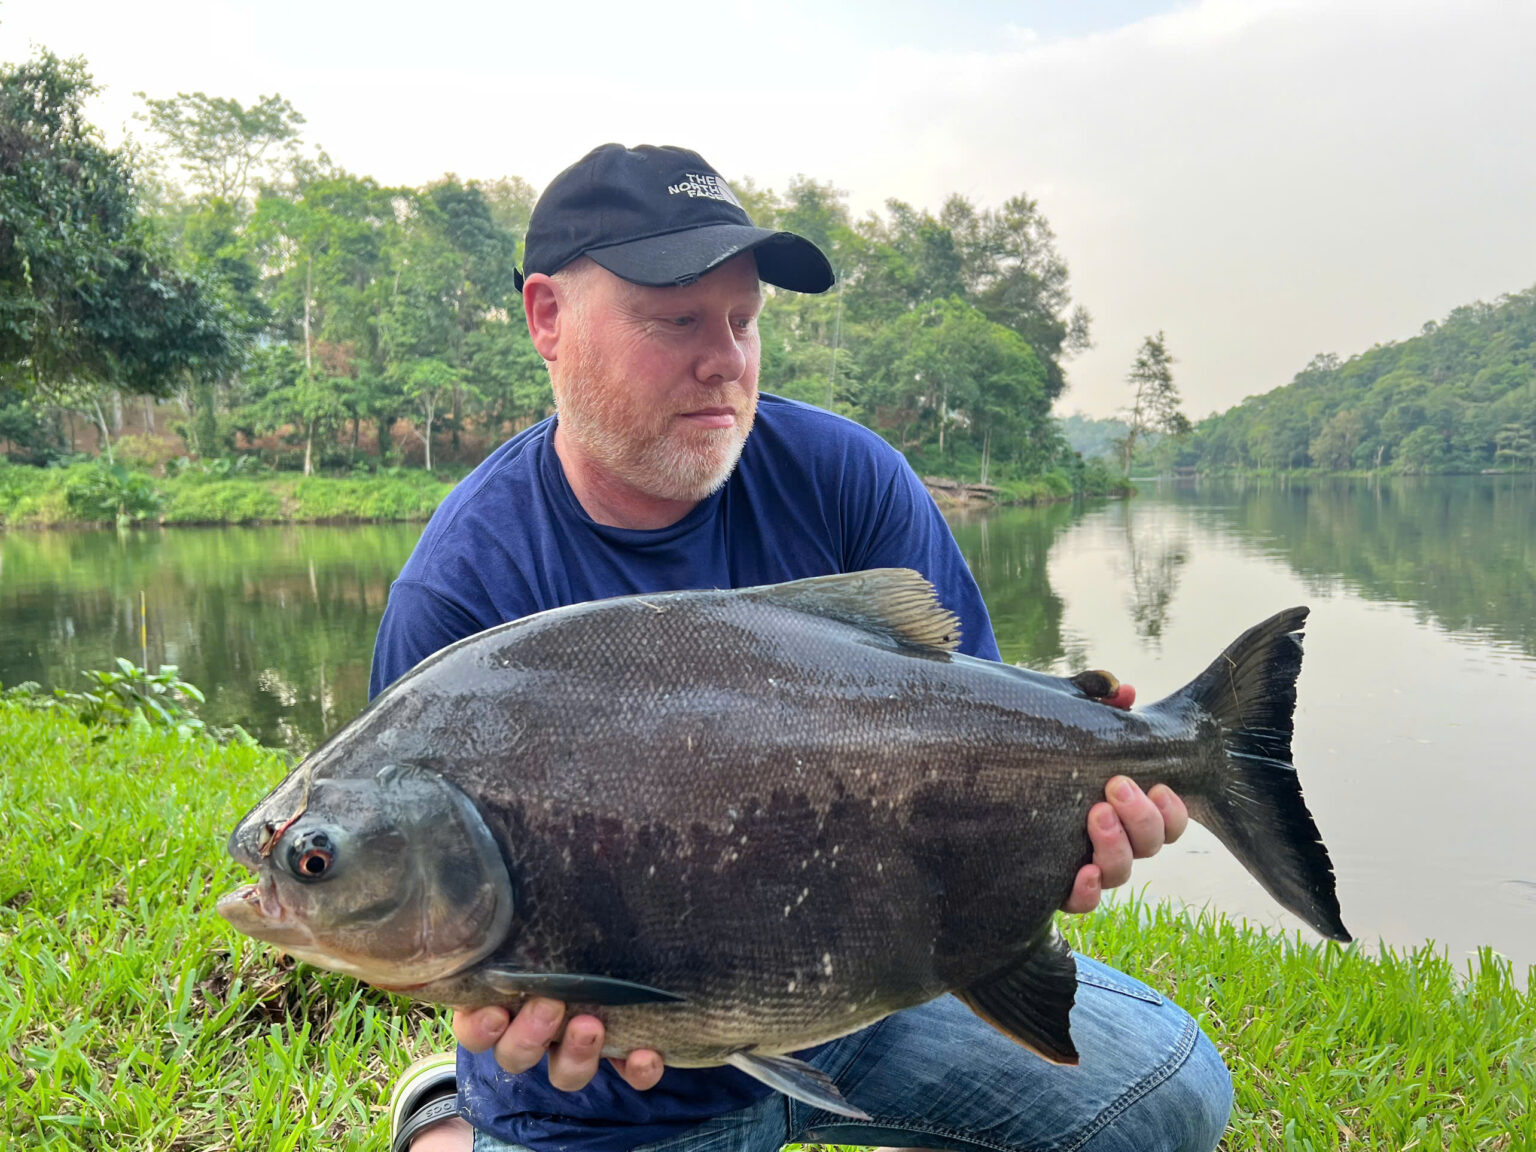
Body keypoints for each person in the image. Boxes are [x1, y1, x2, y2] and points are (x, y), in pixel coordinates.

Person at [371, 143, 1232, 1152]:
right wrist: (494, 1012)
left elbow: (980, 740)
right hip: (617, 1073)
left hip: (864, 984)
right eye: (679, 320)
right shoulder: (463, 588)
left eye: (744, 321)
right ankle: (450, 1118)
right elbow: (443, 922)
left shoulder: (847, 477)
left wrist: (1054, 824)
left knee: (1171, 1098)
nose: (725, 358)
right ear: (548, 319)